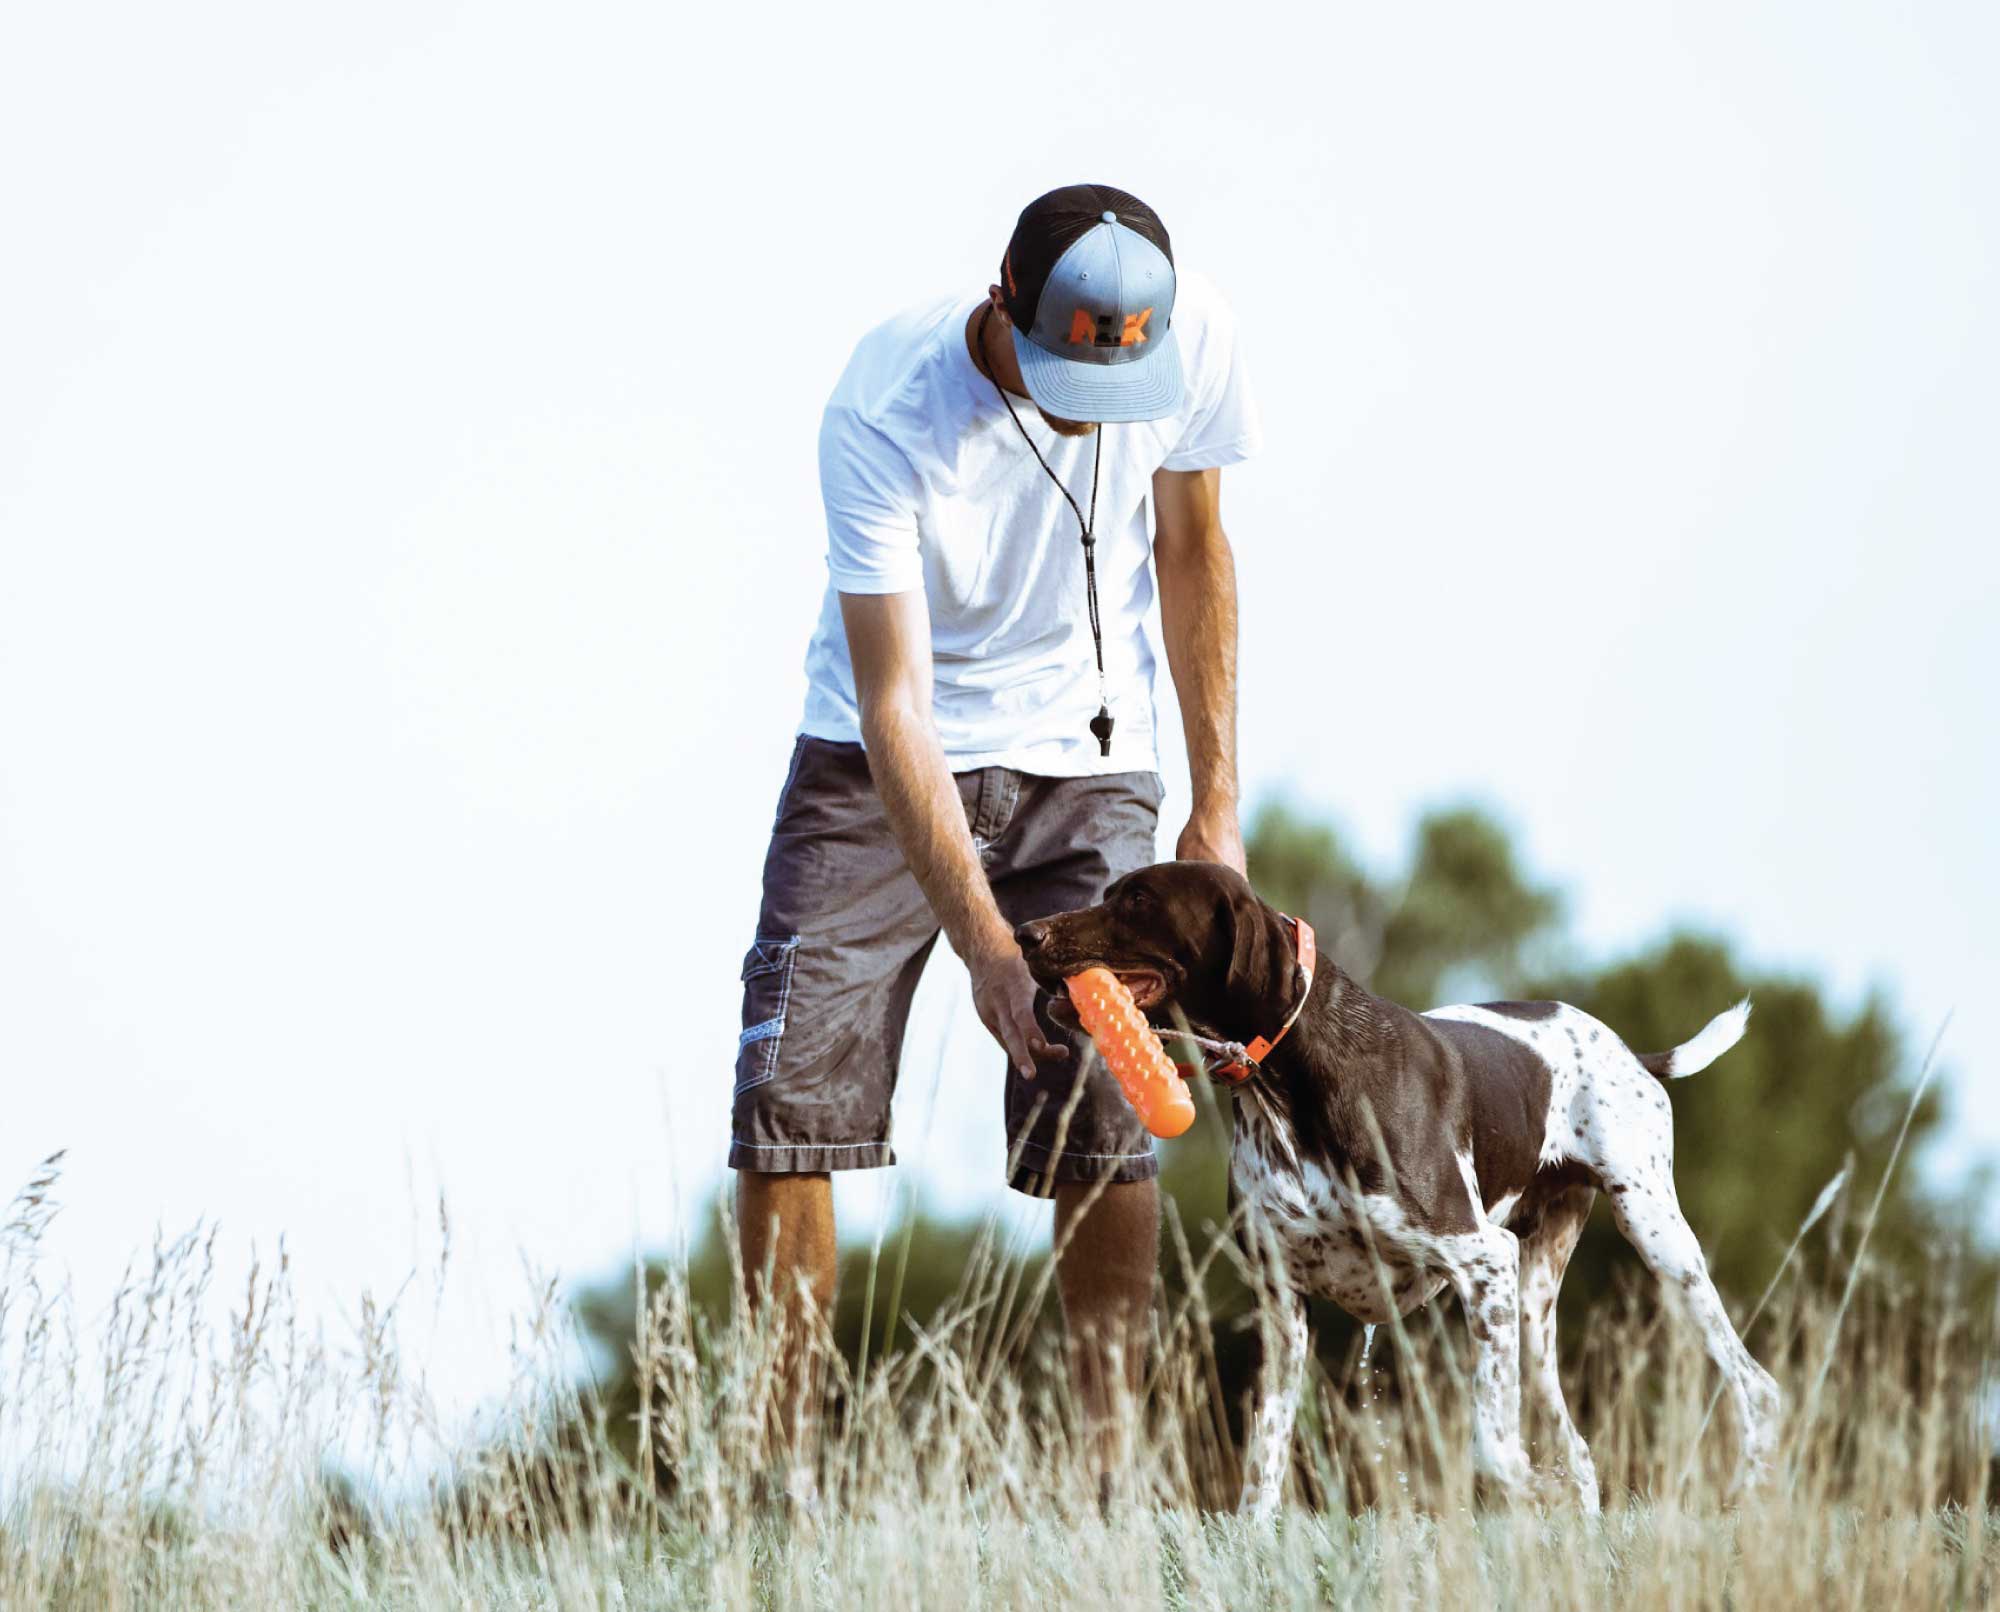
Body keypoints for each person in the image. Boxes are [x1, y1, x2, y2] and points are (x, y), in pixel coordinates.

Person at [730, 181, 1261, 1485]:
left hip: (1091, 756)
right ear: (1002, 305)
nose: (1087, 413)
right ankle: (773, 1488)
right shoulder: (886, 407)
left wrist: (1215, 802)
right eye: (1061, 373)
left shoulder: (1195, 345)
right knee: (790, 1100)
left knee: (1107, 1109)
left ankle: (1105, 1487)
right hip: (877, 766)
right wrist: (984, 946)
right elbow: (894, 697)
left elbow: (1193, 551)